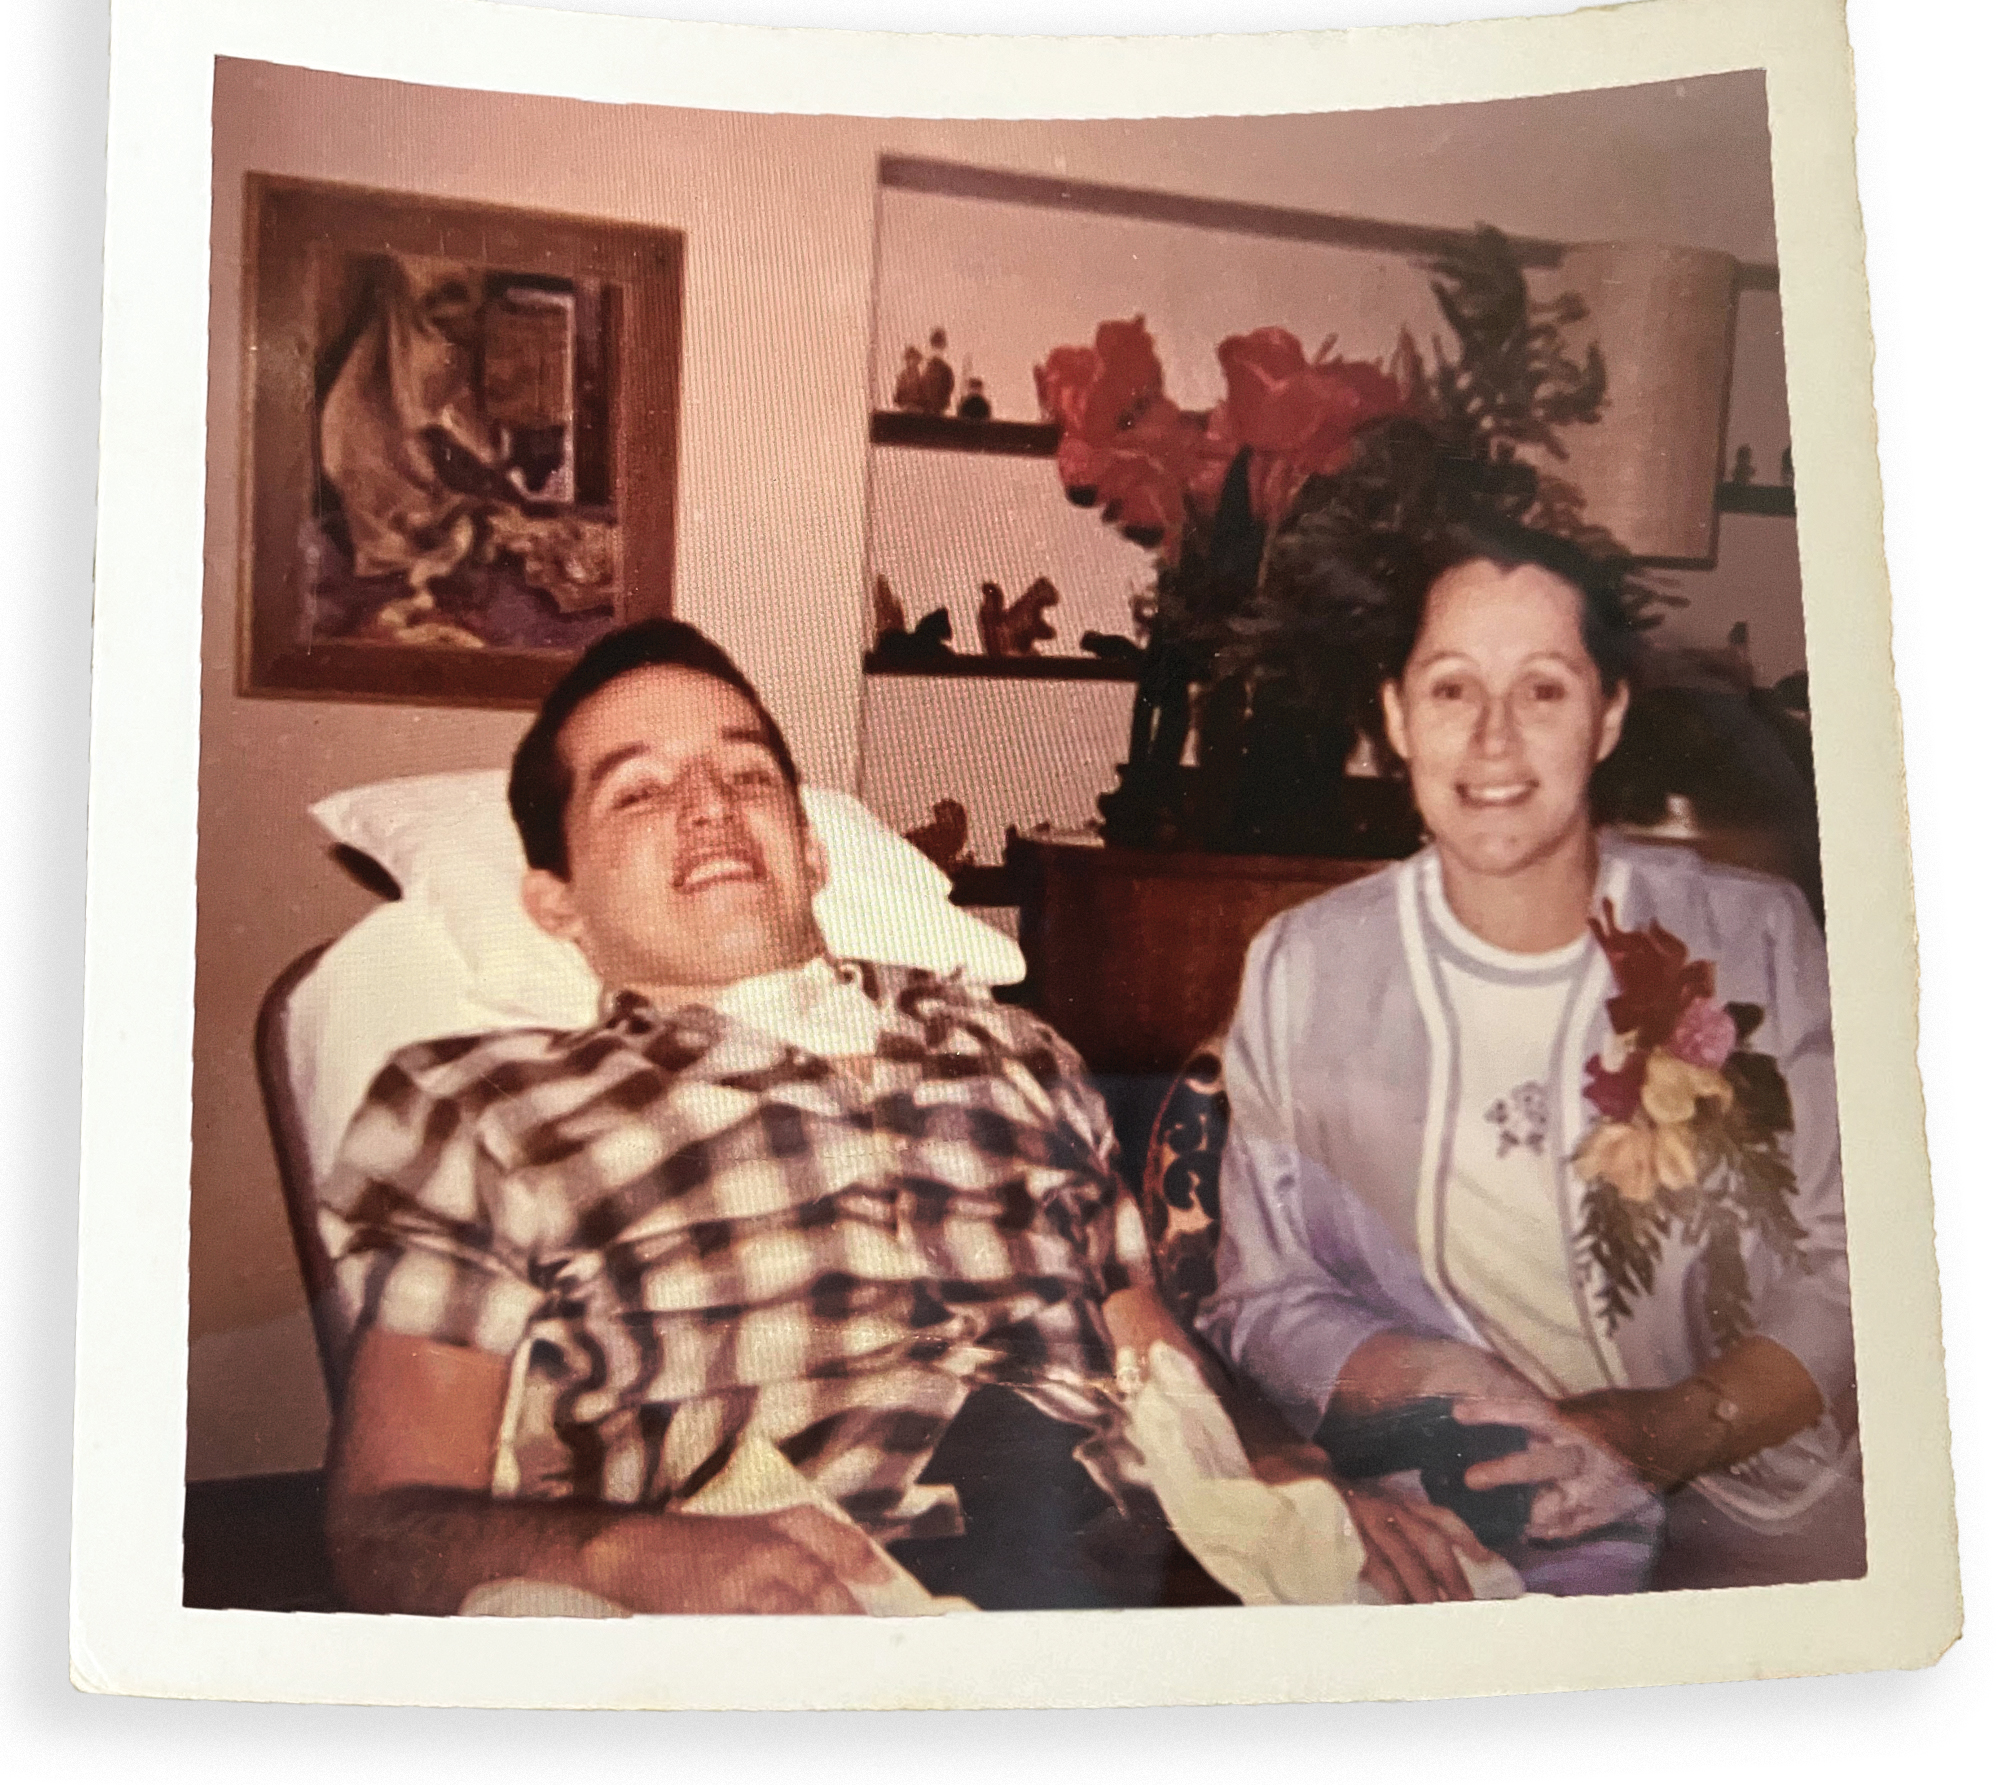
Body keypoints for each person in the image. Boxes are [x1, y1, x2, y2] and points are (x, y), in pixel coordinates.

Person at [318, 620, 1492, 1615]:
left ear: (812, 847)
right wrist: (623, 1553)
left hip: (1152, 1575)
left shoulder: (1015, 1049)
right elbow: (381, 1521)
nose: (710, 809)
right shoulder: (481, 1109)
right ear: (555, 903)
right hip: (825, 1610)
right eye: (638, 792)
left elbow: (1153, 1350)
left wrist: (1291, 1465)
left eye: (745, 776)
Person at [1197, 520, 1862, 1592]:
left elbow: (1856, 1255)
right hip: (1459, 1500)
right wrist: (1430, 1388)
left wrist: (1667, 1429)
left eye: (1543, 690)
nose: (1492, 741)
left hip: (1746, 1499)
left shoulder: (1752, 940)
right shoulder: (1303, 967)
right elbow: (1262, 1296)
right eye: (1451, 689)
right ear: (1392, 717)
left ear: (1606, 717)